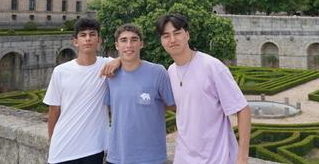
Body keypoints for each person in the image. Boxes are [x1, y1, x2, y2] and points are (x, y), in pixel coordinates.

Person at [156, 13, 251, 164]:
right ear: (161, 41)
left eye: (177, 33)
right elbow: (178, 105)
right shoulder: (171, 71)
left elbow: (243, 109)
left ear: (187, 35)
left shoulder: (211, 66)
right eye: (166, 35)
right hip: (184, 158)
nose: (172, 40)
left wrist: (242, 157)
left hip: (217, 159)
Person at [44, 17, 119, 164]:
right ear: (75, 41)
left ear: (99, 40)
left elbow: (130, 60)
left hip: (93, 149)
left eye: (92, 34)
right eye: (83, 35)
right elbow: (54, 111)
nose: (88, 39)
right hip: (62, 148)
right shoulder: (61, 71)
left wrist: (119, 60)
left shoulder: (106, 65)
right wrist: (53, 140)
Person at [105, 23, 175, 164]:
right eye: (123, 40)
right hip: (117, 157)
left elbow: (173, 105)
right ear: (117, 45)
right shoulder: (110, 75)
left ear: (141, 44)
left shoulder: (158, 72)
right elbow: (110, 109)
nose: (129, 45)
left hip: (151, 158)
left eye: (134, 39)